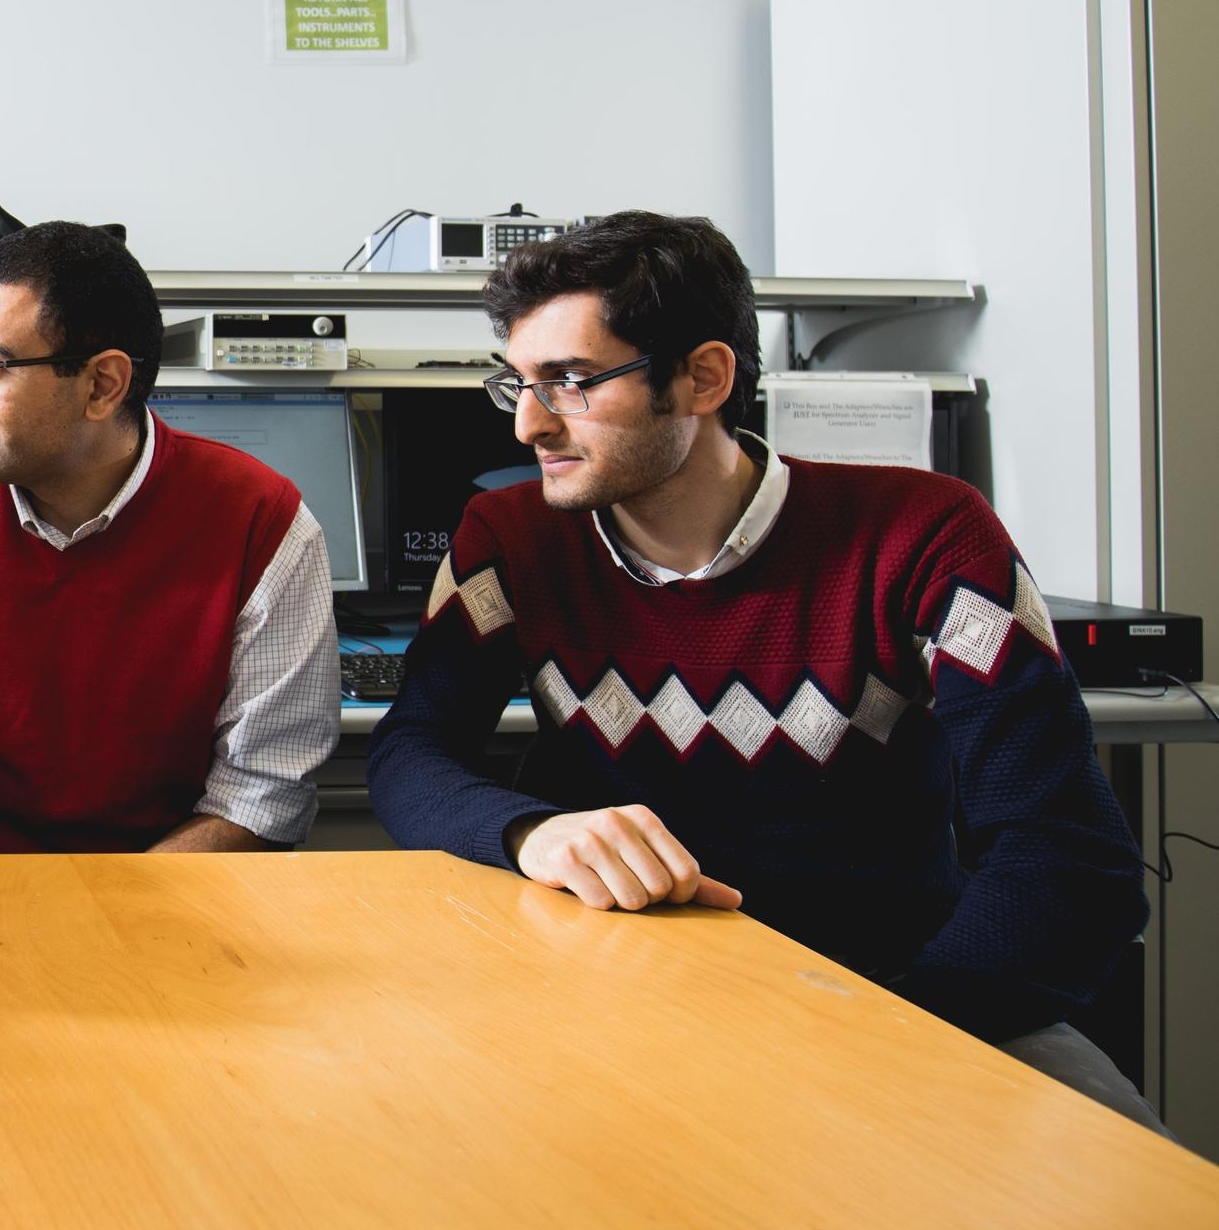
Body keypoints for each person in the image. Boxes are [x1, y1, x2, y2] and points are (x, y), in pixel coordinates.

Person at [365, 211, 1158, 1127]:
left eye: (572, 382)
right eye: (519, 383)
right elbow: (411, 749)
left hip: (905, 997)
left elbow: (1068, 857)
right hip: (608, 996)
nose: (530, 424)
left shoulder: (928, 535)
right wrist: (529, 834)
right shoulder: (510, 538)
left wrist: (895, 1041)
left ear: (704, 378)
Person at [0, 221, 339, 852]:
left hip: (167, 886)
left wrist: (109, 911)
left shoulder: (264, 525)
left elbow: (262, 791)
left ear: (102, 385)